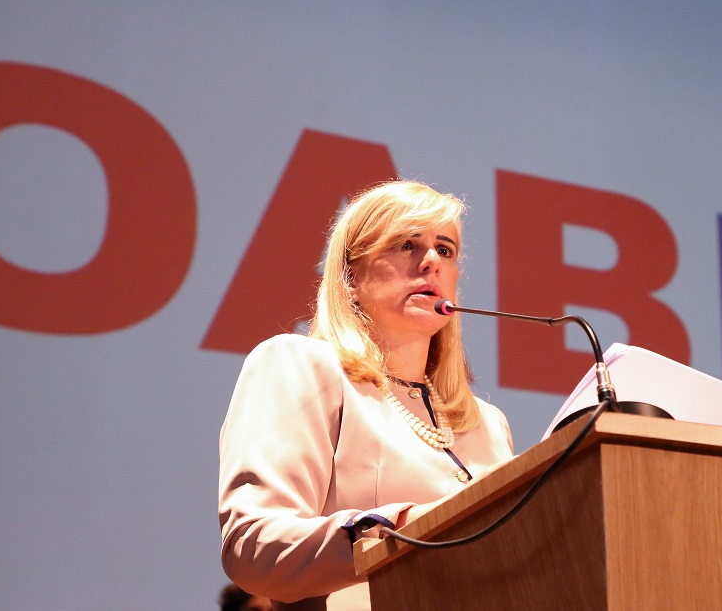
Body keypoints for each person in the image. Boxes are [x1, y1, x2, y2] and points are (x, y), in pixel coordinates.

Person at [218, 180, 515, 609]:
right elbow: (254, 547)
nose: (431, 261)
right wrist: (401, 529)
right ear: (350, 275)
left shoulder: (488, 424)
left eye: (445, 250)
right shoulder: (299, 364)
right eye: (406, 244)